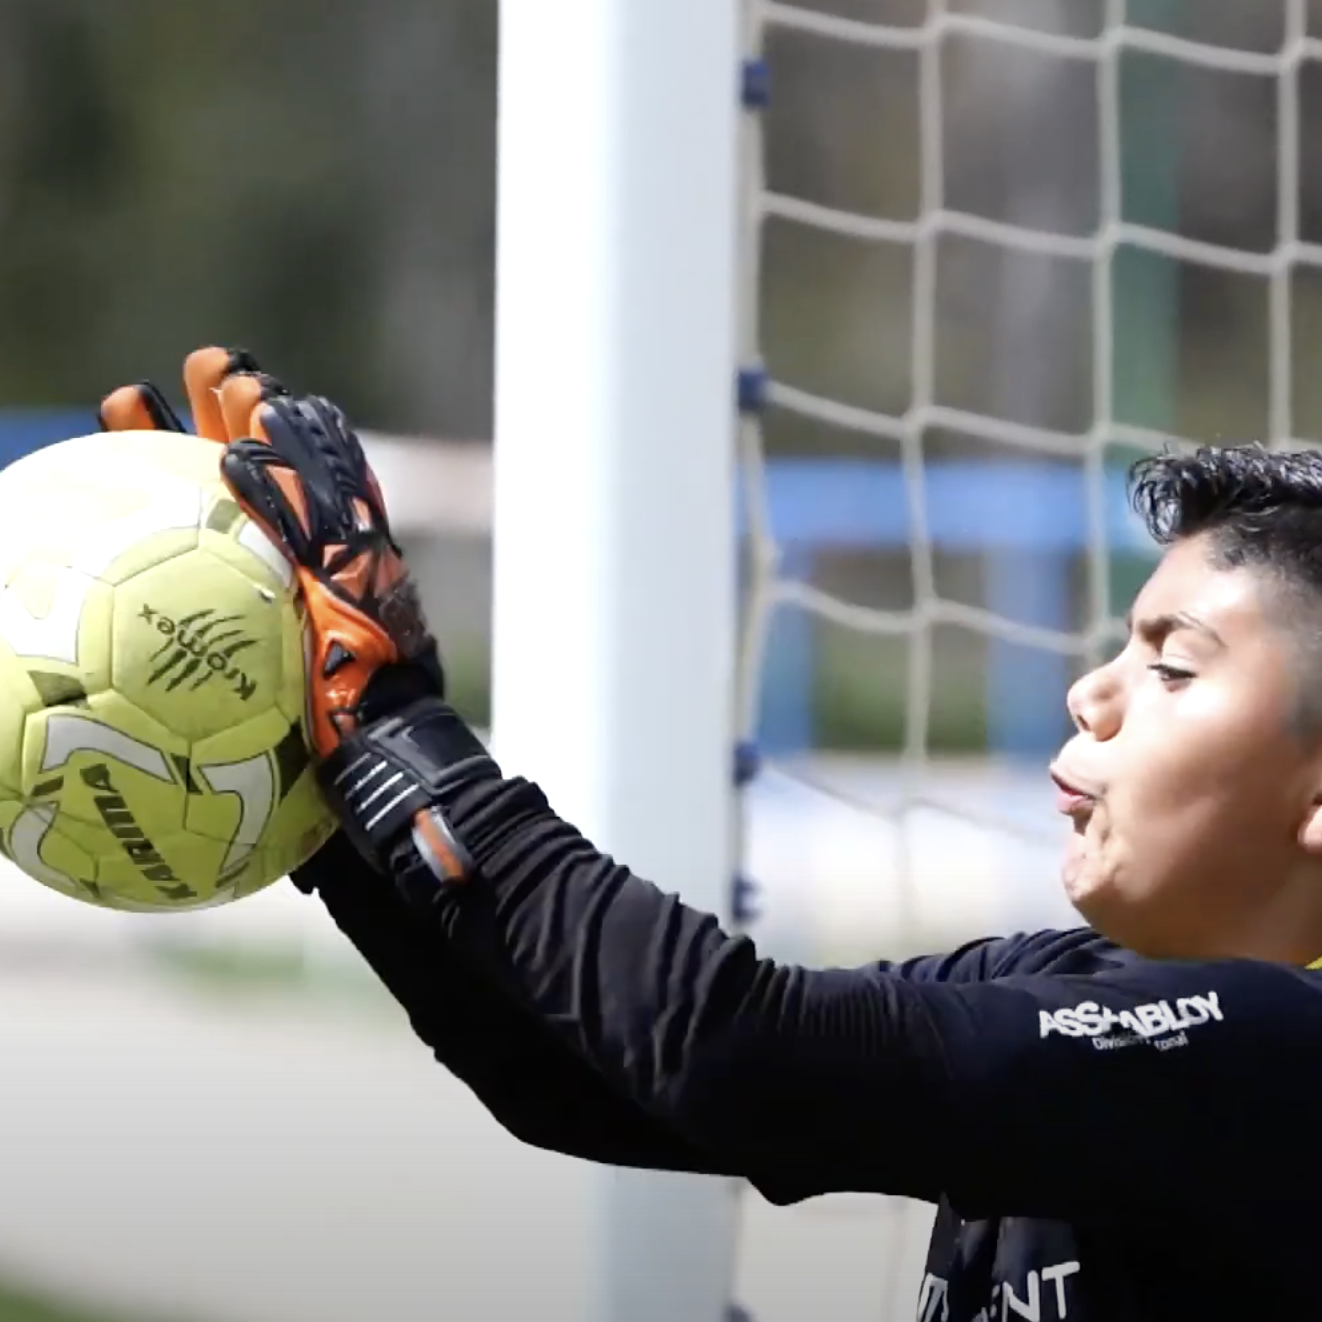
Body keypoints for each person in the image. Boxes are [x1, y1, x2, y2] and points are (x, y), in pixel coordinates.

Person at [101, 348, 1322, 1320]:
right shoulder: (1066, 984)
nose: (1090, 691)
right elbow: (576, 1082)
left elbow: (740, 1049)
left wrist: (395, 720)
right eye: (1119, 642)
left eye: (1169, 666)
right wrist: (318, 782)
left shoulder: (1280, 1061)